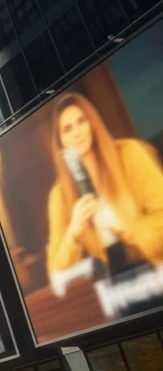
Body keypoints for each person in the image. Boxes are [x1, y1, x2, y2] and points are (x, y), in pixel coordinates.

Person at [45, 92, 163, 276]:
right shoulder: (59, 195)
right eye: (67, 129)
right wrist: (73, 233)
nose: (76, 132)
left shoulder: (130, 153)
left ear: (92, 122)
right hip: (114, 287)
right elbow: (56, 273)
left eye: (82, 121)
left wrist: (125, 229)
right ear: (60, 140)